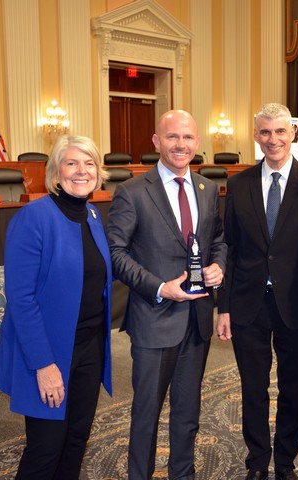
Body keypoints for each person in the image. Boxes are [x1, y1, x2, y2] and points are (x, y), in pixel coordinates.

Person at [216, 103, 298, 480]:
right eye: (265, 132)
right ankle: (256, 464)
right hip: (248, 304)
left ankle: (285, 463)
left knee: (291, 391)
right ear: (255, 136)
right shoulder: (239, 183)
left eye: (280, 132)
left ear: (293, 135)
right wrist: (224, 307)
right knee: (253, 391)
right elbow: (230, 247)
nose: (273, 139)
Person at [106, 110, 226, 480]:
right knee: (146, 414)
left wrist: (218, 266)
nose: (181, 145)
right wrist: (159, 287)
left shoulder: (207, 189)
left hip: (196, 321)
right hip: (154, 320)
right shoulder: (132, 191)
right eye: (172, 137)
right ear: (157, 141)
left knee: (188, 412)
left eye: (188, 138)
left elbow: (218, 240)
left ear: (198, 143)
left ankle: (182, 474)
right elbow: (115, 253)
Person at [0, 135, 113, 479]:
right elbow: (21, 298)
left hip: (89, 347)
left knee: (77, 439)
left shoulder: (91, 214)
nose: (82, 171)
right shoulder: (33, 217)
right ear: (55, 171)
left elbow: (96, 275)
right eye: (72, 163)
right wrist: (44, 364)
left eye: (89, 163)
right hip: (48, 352)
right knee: (46, 448)